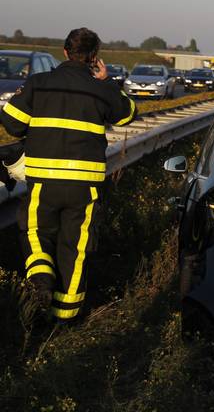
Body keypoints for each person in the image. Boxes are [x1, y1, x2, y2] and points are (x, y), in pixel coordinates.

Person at [0, 27, 135, 326]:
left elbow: (11, 123)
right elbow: (127, 114)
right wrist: (108, 81)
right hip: (84, 186)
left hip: (43, 181)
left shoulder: (39, 83)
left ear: (64, 51)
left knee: (35, 232)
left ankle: (40, 278)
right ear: (94, 57)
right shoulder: (101, 89)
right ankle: (64, 322)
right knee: (75, 249)